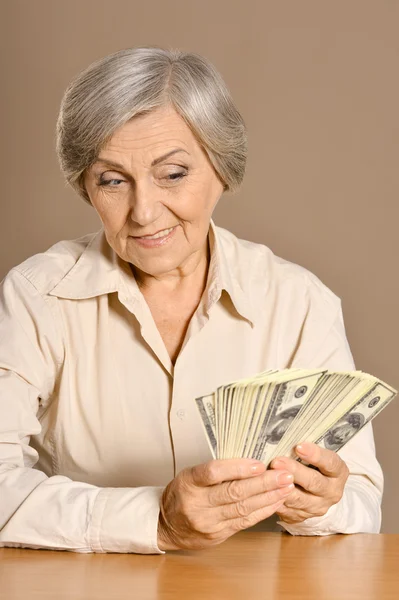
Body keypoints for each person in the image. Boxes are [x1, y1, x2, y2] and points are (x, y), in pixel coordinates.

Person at [0, 47, 383, 554]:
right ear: (86, 188)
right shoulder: (36, 295)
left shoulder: (299, 302)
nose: (143, 211)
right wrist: (156, 520)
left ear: (222, 170)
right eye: (112, 181)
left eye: (173, 174)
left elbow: (360, 501)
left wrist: (320, 505)